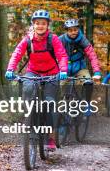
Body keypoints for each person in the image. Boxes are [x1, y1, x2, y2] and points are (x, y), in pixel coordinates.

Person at [5, 9, 68, 151]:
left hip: (51, 74)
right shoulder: (28, 39)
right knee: (27, 91)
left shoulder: (53, 39)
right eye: (37, 23)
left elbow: (62, 55)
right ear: (33, 24)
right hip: (33, 72)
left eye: (43, 23)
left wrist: (63, 70)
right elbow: (17, 53)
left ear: (47, 25)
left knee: (49, 104)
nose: (40, 26)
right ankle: (29, 122)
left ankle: (51, 137)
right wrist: (10, 69)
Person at [58, 19, 102, 104]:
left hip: (80, 68)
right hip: (64, 69)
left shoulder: (83, 40)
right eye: (70, 30)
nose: (73, 32)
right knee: (59, 87)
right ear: (66, 31)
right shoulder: (61, 40)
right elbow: (54, 54)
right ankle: (60, 107)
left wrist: (97, 72)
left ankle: (87, 104)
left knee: (88, 83)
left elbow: (92, 55)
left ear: (78, 29)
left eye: (75, 30)